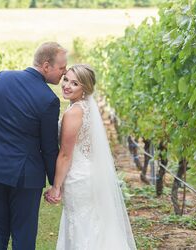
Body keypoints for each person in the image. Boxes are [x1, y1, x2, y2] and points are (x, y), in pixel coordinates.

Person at [0, 42, 67, 250]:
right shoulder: (49, 100)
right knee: (23, 235)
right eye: (61, 68)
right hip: (25, 177)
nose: (64, 72)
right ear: (46, 66)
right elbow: (49, 147)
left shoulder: (2, 78)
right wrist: (55, 183)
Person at [44, 64, 136, 249]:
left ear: (84, 88)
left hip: (79, 178)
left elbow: (65, 155)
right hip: (89, 172)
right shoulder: (86, 108)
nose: (67, 85)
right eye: (66, 79)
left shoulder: (74, 112)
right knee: (94, 224)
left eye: (75, 83)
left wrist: (56, 187)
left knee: (82, 226)